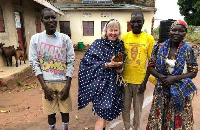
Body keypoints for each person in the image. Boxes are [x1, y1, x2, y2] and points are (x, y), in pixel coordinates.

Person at [146, 20, 198, 129]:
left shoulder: (188, 50)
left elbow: (193, 72)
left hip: (180, 92)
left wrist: (175, 78)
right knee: (159, 120)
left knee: (179, 121)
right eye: (174, 30)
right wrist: (161, 77)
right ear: (170, 31)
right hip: (161, 90)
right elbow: (150, 66)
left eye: (181, 31)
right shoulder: (159, 48)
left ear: (185, 33)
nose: (176, 33)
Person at [29, 8, 75, 130]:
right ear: (42, 20)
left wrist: (67, 86)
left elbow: (71, 61)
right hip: (47, 83)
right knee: (51, 113)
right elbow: (34, 62)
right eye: (47, 18)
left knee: (65, 112)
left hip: (63, 82)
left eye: (53, 17)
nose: (51, 20)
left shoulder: (65, 39)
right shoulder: (36, 39)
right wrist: (44, 87)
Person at [78, 19, 124, 130]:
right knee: (102, 115)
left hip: (114, 85)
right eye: (111, 30)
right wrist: (108, 65)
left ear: (119, 32)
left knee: (106, 113)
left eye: (116, 30)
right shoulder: (98, 44)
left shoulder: (120, 45)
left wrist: (119, 66)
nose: (113, 33)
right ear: (106, 31)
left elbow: (120, 70)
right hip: (100, 84)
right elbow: (86, 64)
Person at [121, 10, 155, 130]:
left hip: (139, 82)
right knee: (125, 109)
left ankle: (135, 128)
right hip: (124, 81)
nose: (135, 24)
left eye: (138, 22)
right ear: (130, 23)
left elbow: (151, 63)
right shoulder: (124, 37)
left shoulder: (149, 39)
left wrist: (145, 82)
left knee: (137, 109)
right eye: (133, 22)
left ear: (143, 22)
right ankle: (126, 127)